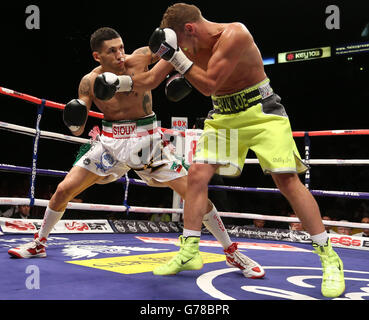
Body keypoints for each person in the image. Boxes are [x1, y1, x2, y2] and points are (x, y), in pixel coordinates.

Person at [8, 27, 264, 279]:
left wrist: (180, 77)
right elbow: (78, 127)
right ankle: (39, 243)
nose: (121, 55)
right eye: (112, 51)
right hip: (109, 143)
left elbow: (176, 50)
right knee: (64, 190)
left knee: (196, 195)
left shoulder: (141, 57)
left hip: (147, 143)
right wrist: (74, 116)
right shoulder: (89, 81)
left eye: (121, 47)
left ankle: (231, 251)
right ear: (98, 56)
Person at [143, 3, 345, 297]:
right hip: (224, 116)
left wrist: (176, 56)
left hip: (261, 111)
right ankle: (189, 250)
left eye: (182, 44)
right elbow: (150, 79)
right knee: (197, 176)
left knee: (286, 180)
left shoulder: (234, 34)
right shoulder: (183, 45)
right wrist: (117, 80)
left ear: (189, 29)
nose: (184, 51)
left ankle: (329, 256)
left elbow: (210, 84)